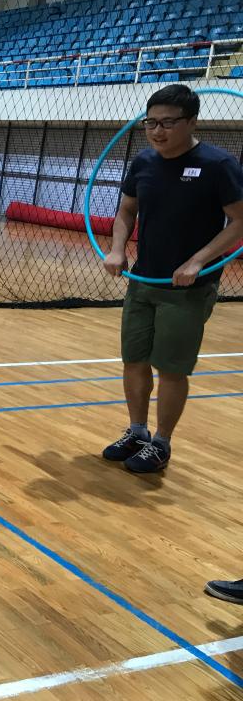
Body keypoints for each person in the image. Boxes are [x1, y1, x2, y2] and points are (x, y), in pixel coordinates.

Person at [102, 84, 243, 473]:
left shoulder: (218, 165)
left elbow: (239, 221)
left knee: (171, 368)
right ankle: (137, 432)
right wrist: (117, 248)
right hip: (143, 281)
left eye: (168, 123)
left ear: (192, 122)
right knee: (134, 360)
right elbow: (126, 211)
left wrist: (198, 261)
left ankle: (161, 443)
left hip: (188, 289)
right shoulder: (143, 162)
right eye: (151, 123)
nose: (157, 131)